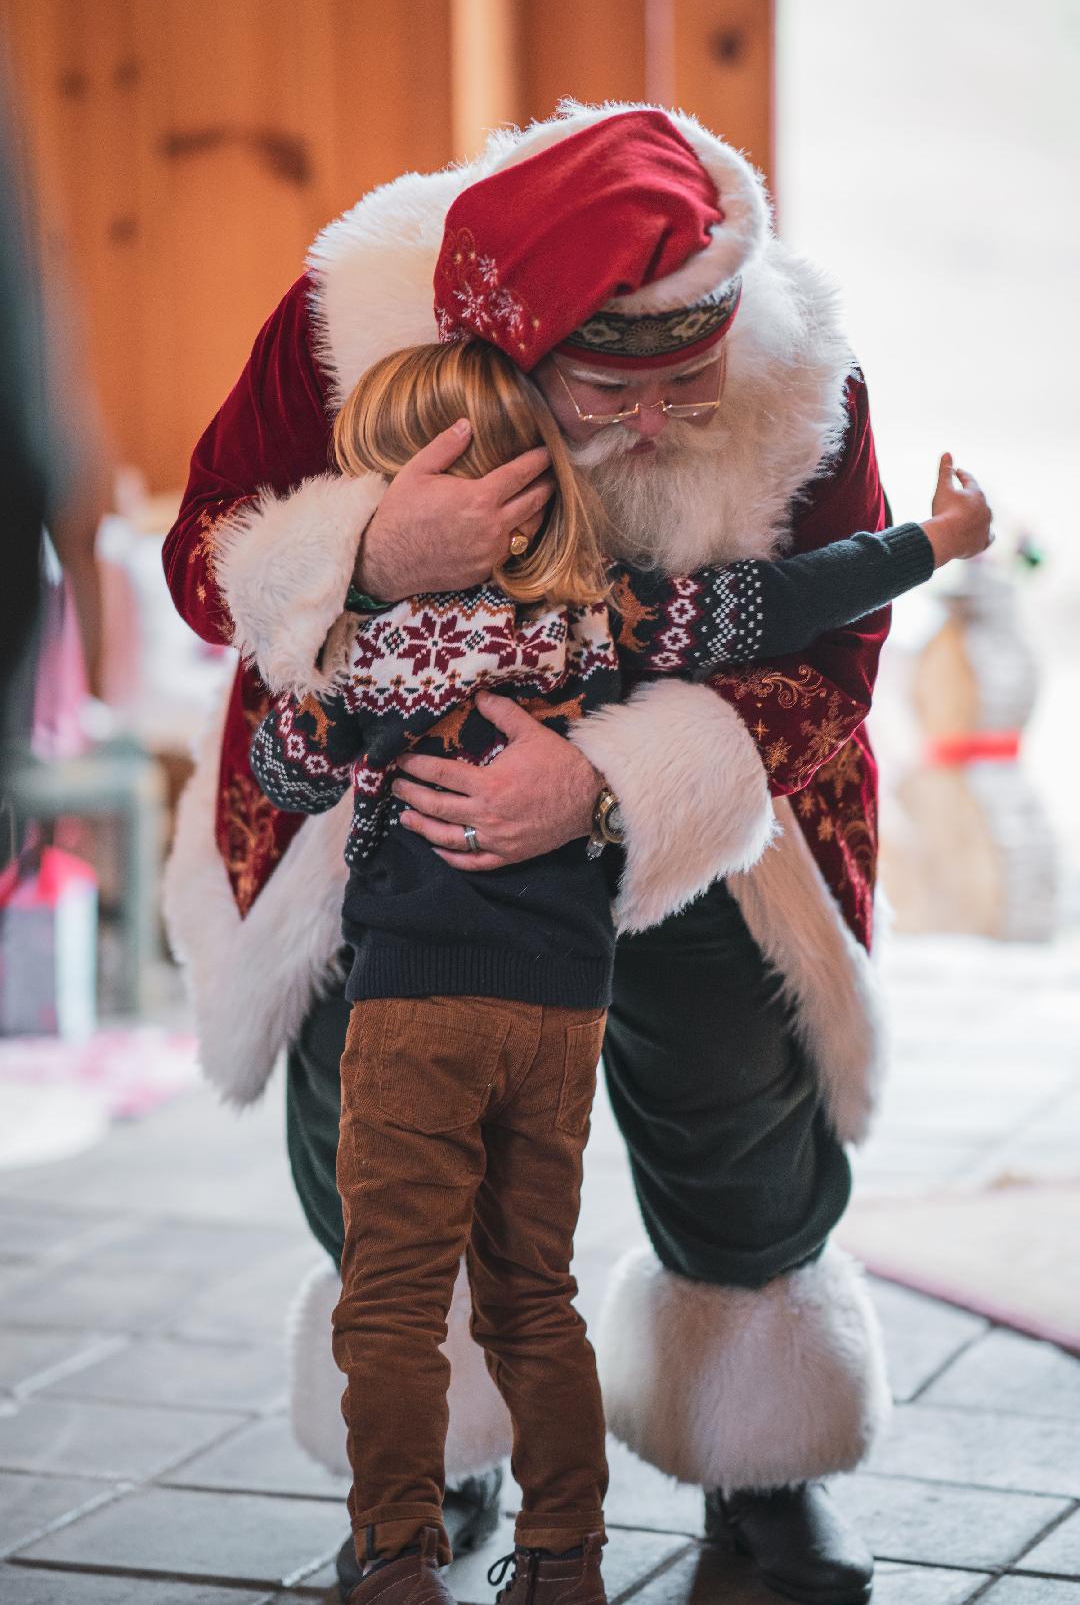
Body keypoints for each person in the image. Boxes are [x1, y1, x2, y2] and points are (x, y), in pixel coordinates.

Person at [162, 103, 991, 1605]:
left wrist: (610, 785)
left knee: (740, 1096)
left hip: (695, 804)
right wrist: (362, 560)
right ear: (510, 348)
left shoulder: (807, 381)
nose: (669, 421)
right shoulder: (347, 324)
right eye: (623, 385)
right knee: (374, 1146)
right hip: (402, 816)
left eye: (697, 379)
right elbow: (207, 563)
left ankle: (764, 1458)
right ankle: (432, 1457)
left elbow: (821, 632)